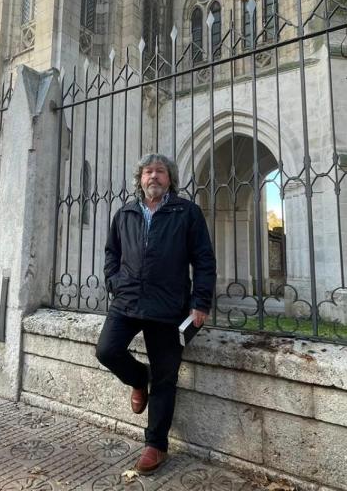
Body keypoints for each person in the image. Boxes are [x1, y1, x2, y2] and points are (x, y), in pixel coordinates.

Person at [96, 153, 216, 475]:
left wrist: (200, 302)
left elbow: (203, 259)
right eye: (148, 172)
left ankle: (155, 445)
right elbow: (112, 253)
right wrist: (114, 282)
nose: (153, 177)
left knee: (165, 376)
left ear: (170, 178)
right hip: (127, 301)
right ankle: (139, 378)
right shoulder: (126, 213)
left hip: (168, 306)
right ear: (140, 179)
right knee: (106, 351)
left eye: (160, 171)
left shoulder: (187, 212)